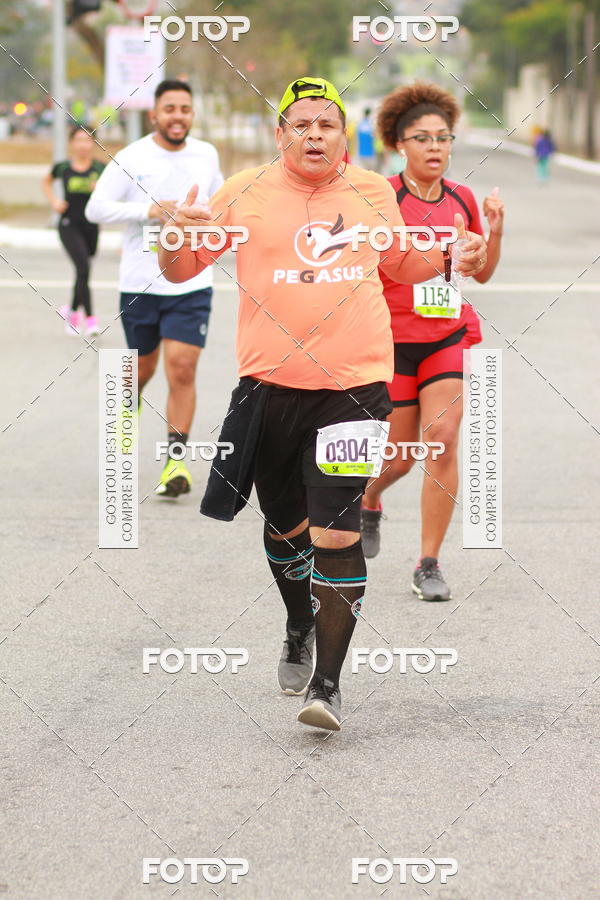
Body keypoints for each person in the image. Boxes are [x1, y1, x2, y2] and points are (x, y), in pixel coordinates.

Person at [157, 77, 487, 731]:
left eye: (327, 124)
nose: (314, 135)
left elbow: (401, 266)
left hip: (355, 388)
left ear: (345, 134)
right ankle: (296, 622)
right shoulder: (242, 192)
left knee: (336, 532)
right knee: (285, 530)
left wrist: (452, 254)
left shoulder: (368, 191)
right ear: (280, 133)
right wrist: (173, 234)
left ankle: (327, 686)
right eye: (300, 123)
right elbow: (179, 270)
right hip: (269, 388)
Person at [360, 82, 504, 602]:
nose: (435, 147)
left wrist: (494, 232)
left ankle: (428, 562)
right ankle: (370, 498)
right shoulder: (383, 197)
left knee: (441, 439)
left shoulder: (463, 198)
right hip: (394, 341)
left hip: (447, 336)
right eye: (422, 138)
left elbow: (482, 274)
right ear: (400, 144)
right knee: (399, 457)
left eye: (442, 138)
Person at [86, 80, 223, 498]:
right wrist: (149, 209)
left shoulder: (207, 155)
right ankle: (125, 431)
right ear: (154, 116)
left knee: (182, 367)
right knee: (141, 372)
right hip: (141, 284)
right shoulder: (132, 157)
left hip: (192, 281)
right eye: (169, 109)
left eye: (184, 108)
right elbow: (96, 208)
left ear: (191, 115)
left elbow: (219, 206)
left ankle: (175, 463)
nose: (177, 116)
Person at [42, 126, 105, 336]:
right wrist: (54, 201)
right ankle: (90, 319)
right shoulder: (63, 167)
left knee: (83, 271)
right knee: (84, 268)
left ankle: (70, 311)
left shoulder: (100, 168)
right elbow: (46, 181)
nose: (83, 144)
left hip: (91, 225)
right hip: (69, 224)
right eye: (78, 140)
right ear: (72, 143)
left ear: (93, 144)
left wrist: (101, 189)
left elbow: (114, 191)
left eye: (87, 140)